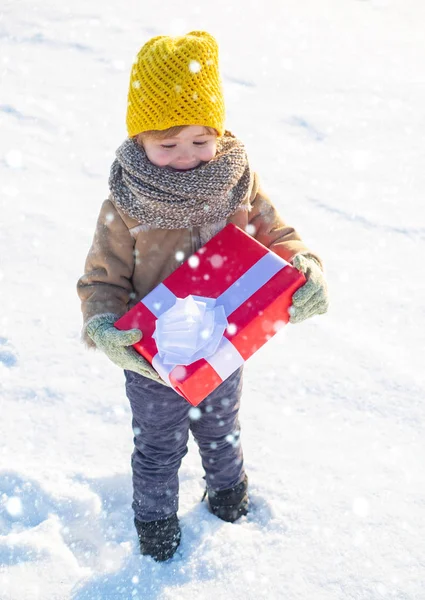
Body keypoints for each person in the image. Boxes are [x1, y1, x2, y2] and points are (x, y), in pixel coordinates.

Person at [77, 31, 329, 562]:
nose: (186, 157)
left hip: (224, 342)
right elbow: (101, 279)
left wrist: (304, 265)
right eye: (167, 145)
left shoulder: (237, 182)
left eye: (199, 140)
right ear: (140, 140)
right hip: (154, 357)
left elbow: (277, 236)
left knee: (220, 426)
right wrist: (104, 327)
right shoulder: (126, 203)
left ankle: (228, 495)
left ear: (217, 131)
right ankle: (155, 524)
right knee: (158, 443)